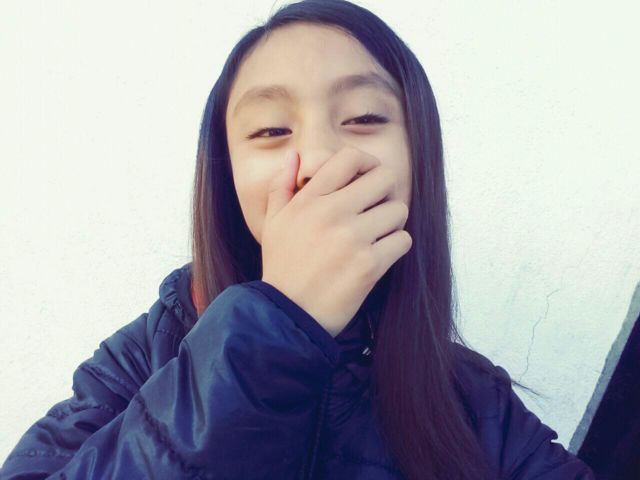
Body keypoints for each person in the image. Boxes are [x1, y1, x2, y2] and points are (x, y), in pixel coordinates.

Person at [0, 1, 596, 478]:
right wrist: (275, 325)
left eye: (364, 118)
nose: (317, 160)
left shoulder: (477, 404)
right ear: (226, 174)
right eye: (270, 130)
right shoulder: (145, 355)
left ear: (420, 159)